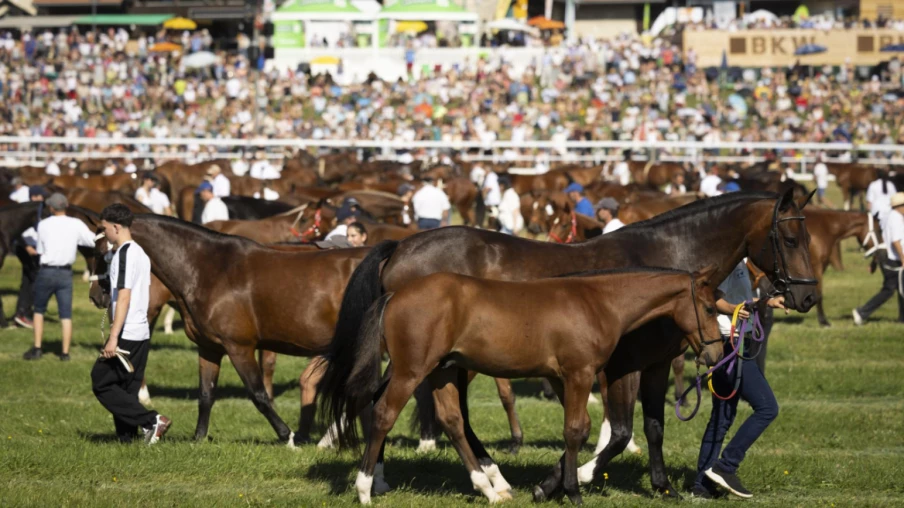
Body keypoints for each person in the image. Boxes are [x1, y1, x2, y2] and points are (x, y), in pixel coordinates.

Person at [693, 260, 789, 499]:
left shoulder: (742, 260)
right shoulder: (727, 260)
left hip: (737, 342)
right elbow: (712, 298)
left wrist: (767, 301)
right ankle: (725, 466)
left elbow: (740, 299)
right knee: (767, 408)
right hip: (728, 344)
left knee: (722, 416)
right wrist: (733, 309)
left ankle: (701, 485)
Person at [92, 204, 171, 444]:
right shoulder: (140, 252)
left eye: (105, 229)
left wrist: (113, 337)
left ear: (116, 227)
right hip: (141, 332)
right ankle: (126, 440)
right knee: (126, 388)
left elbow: (124, 296)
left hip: (127, 332)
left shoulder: (125, 254)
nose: (104, 234)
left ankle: (152, 420)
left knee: (101, 382)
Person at [22, 193, 96, 361]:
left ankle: (37, 348)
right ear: (66, 206)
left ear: (51, 207)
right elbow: (92, 241)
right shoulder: (76, 224)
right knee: (65, 314)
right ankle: (65, 352)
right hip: (65, 273)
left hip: (46, 271)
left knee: (39, 310)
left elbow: (40, 249)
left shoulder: (43, 225)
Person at [853, 192, 904, 325]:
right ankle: (862, 312)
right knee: (889, 290)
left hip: (889, 257)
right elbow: (896, 241)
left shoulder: (893, 216)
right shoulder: (896, 218)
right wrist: (903, 259)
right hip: (892, 259)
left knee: (901, 288)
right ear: (900, 206)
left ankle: (902, 319)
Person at [13, 186, 49, 329]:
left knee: (29, 280)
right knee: (32, 280)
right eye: (41, 196)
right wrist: (27, 246)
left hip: (33, 248)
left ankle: (22, 313)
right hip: (26, 248)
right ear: (34, 197)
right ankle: (23, 313)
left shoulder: (37, 209)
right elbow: (18, 229)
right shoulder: (27, 210)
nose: (43, 198)